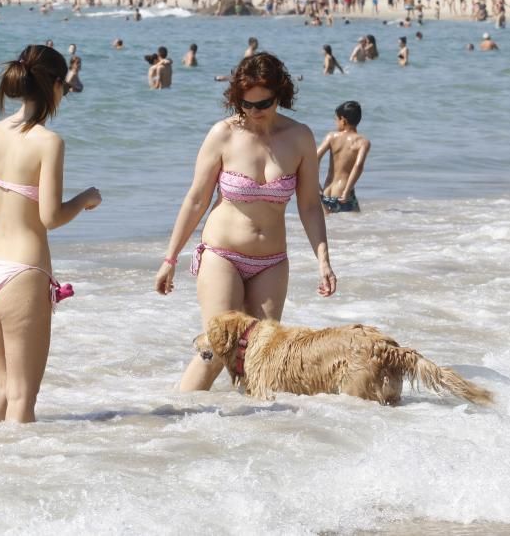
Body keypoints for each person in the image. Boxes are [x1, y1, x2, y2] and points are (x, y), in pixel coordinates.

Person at [154, 52, 336, 391]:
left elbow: (310, 205)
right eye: (246, 105)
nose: (254, 112)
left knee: (261, 358)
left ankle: (250, 436)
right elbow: (196, 199)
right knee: (217, 349)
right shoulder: (223, 134)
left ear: (279, 94)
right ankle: (178, 423)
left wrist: (323, 260)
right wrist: (169, 259)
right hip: (223, 255)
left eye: (263, 104)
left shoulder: (300, 137)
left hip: (272, 262)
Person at [0, 45, 102, 422]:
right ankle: (15, 479)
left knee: (3, 386)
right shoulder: (48, 142)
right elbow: (51, 216)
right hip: (22, 275)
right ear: (56, 85)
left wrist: (7, 222)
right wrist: (86, 198)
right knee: (23, 397)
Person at [316, 101, 370, 214]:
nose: (335, 122)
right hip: (343, 192)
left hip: (327, 192)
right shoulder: (362, 142)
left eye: (336, 119)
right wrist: (346, 191)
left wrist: (316, 184)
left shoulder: (331, 136)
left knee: (330, 228)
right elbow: (358, 166)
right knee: (356, 225)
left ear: (343, 120)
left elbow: (314, 158)